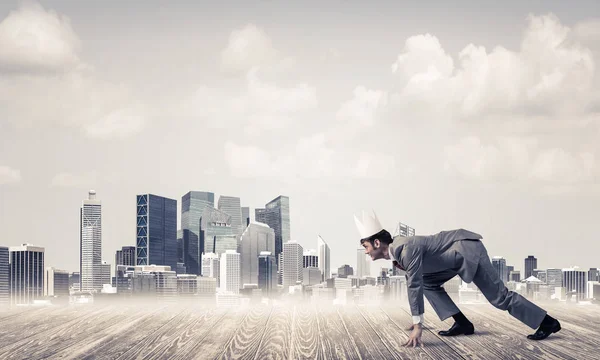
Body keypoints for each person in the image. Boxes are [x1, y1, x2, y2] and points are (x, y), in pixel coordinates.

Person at [354, 210, 561, 348]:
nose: (365, 252)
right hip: (449, 260)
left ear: (377, 242)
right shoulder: (397, 252)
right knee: (429, 283)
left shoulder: (404, 248)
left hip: (467, 250)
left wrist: (418, 324)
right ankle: (462, 323)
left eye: (366, 246)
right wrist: (416, 319)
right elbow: (417, 281)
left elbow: (413, 284)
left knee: (499, 298)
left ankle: (547, 322)